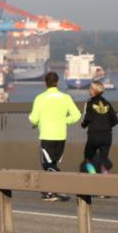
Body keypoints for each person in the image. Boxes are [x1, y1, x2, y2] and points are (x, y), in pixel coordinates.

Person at [28, 71, 82, 202]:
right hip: (61, 136)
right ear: (57, 82)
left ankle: (52, 190)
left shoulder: (40, 98)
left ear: (45, 83)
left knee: (48, 165)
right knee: (53, 163)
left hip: (46, 135)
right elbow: (77, 115)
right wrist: (64, 121)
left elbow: (34, 118)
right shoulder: (66, 97)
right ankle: (50, 192)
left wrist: (35, 121)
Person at [80, 80, 118, 175]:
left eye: (90, 88)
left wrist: (83, 125)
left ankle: (92, 175)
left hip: (94, 135)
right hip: (107, 136)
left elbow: (87, 118)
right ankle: (105, 177)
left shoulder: (89, 103)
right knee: (104, 160)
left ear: (94, 90)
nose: (89, 90)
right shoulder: (107, 103)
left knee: (87, 158)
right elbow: (115, 120)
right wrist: (107, 126)